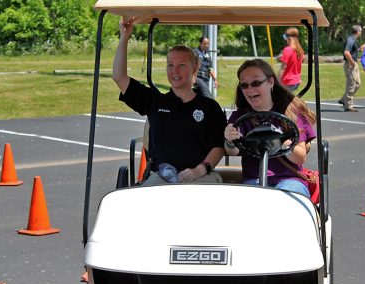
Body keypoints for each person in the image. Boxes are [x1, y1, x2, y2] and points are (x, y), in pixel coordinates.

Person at [113, 17, 226, 186]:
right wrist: (125, 37)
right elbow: (119, 77)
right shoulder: (156, 101)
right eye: (170, 65)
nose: (175, 71)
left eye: (181, 65)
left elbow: (218, 146)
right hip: (162, 177)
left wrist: (199, 170)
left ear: (194, 69)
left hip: (200, 176)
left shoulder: (209, 107)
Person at [224, 59, 316, 197]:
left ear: (270, 82)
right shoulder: (240, 116)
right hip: (253, 178)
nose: (250, 89)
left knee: (289, 196)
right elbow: (232, 151)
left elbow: (299, 158)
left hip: (288, 178)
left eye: (256, 83)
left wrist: (280, 141)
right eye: (244, 85)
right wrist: (230, 140)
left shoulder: (291, 112)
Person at [338, 25, 365, 112]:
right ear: (358, 32)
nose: (361, 33)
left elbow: (351, 51)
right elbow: (346, 53)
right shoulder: (350, 40)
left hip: (354, 64)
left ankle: (344, 99)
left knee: (358, 84)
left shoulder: (353, 40)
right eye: (360, 31)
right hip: (351, 64)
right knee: (351, 84)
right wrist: (352, 63)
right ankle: (348, 105)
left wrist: (359, 49)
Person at [278, 27, 304, 92]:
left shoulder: (287, 50)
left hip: (288, 82)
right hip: (296, 82)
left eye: (285, 37)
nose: (285, 39)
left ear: (288, 37)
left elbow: (283, 68)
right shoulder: (300, 50)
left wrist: (277, 81)